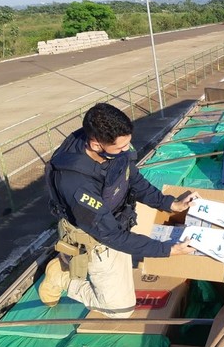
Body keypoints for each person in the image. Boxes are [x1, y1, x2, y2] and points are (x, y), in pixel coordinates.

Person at [39, 103, 200, 318]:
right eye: (120, 147)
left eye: (128, 143)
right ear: (96, 145)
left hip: (118, 220)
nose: (127, 150)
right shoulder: (76, 182)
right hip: (98, 237)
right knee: (120, 309)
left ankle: (70, 267)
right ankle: (61, 278)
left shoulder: (114, 148)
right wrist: (168, 250)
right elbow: (111, 235)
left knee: (126, 265)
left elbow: (133, 180)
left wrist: (170, 204)